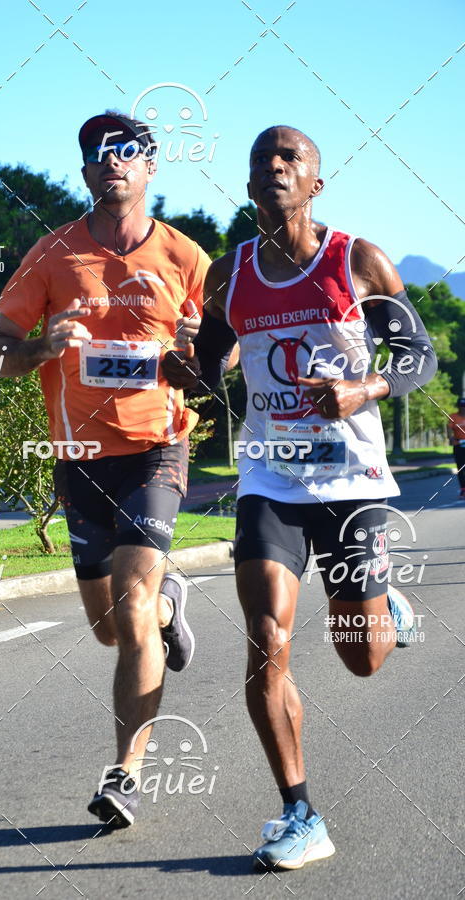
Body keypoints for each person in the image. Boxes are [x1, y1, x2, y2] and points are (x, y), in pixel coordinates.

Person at [162, 125, 438, 870]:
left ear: (315, 183)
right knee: (265, 638)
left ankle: (385, 608)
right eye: (262, 161)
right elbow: (212, 366)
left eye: (290, 159)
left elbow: (419, 356)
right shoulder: (230, 274)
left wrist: (366, 385)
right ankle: (299, 813)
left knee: (363, 658)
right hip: (270, 479)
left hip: (352, 480)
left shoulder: (358, 261)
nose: (275, 168)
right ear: (248, 186)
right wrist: (186, 372)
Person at [0, 111, 212, 828]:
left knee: (134, 609)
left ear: (150, 169)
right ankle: (172, 603)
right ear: (85, 173)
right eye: (97, 154)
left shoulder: (186, 258)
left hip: (157, 449)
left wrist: (201, 357)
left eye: (126, 152)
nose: (110, 162)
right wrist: (41, 346)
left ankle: (126, 773)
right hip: (80, 461)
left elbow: (214, 371)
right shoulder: (52, 255)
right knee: (111, 629)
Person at [447, 397, 465, 498]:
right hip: (458, 445)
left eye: (464, 407)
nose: (463, 409)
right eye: (461, 407)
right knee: (460, 468)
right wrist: (451, 438)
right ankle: (463, 489)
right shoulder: (453, 416)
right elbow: (449, 429)